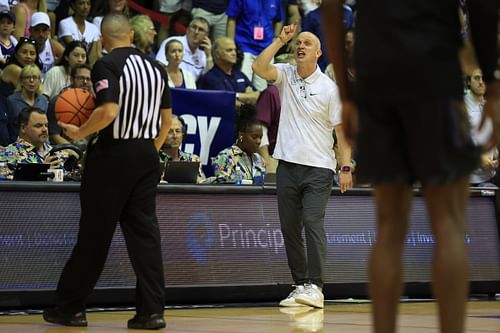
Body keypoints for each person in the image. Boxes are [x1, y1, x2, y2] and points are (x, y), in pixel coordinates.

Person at [321, 1, 499, 333]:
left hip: (377, 81)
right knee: (448, 223)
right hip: (436, 76)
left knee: (389, 227)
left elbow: (330, 8)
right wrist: (493, 80)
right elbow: (483, 6)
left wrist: (347, 95)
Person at [42, 13, 172, 330]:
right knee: (145, 237)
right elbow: (167, 120)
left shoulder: (107, 64)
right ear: (130, 34)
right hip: (146, 153)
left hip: (113, 153)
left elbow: (108, 110)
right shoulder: (156, 68)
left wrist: (79, 133)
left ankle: (71, 308)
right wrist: (147, 152)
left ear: (103, 39)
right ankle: (151, 312)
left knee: (94, 235)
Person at [252, 24, 352, 309]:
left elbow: (342, 133)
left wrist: (345, 168)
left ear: (318, 53)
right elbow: (260, 67)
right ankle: (300, 285)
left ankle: (316, 287)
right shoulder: (285, 73)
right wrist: (278, 41)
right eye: (297, 42)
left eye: (307, 43)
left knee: (312, 222)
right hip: (287, 166)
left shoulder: (330, 89)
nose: (300, 45)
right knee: (289, 227)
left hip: (319, 168)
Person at [226, 0, 284, 92]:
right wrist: (230, 45)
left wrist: (276, 37)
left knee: (262, 90)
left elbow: (279, 20)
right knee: (242, 87)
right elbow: (231, 19)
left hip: (266, 49)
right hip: (244, 46)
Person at [1, 106, 64, 176]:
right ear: (23, 128)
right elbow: (8, 184)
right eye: (38, 126)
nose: (45, 129)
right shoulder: (7, 154)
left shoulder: (58, 152)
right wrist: (42, 170)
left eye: (46, 125)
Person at [198, 36, 259, 108]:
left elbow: (257, 96)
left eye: (234, 50)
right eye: (229, 50)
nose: (234, 53)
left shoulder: (239, 74)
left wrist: (236, 96)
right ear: (217, 54)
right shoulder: (211, 78)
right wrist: (247, 98)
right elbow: (226, 102)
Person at [212, 107, 266, 185]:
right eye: (254, 137)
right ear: (241, 135)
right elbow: (223, 188)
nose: (259, 141)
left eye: (260, 138)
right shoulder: (225, 157)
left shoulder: (259, 160)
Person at [465, 68, 498, 186]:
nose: (481, 82)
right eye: (477, 78)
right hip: (469, 179)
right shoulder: (461, 107)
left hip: (490, 174)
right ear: (469, 81)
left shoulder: (490, 105)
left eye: (484, 79)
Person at [155, 16, 213, 81]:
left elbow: (210, 80)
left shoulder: (203, 55)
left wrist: (209, 56)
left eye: (201, 30)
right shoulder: (173, 42)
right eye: (193, 27)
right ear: (187, 29)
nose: (196, 32)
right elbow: (160, 67)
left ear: (206, 35)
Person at [47, 63, 92, 145]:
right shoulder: (58, 101)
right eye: (81, 78)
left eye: (88, 79)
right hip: (64, 149)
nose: (85, 82)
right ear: (71, 79)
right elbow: (54, 136)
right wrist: (73, 152)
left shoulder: (94, 102)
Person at [6, 63, 48, 142]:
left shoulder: (43, 100)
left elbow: (45, 127)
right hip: (18, 147)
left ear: (39, 81)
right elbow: (8, 127)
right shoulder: (11, 101)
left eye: (34, 77)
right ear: (21, 81)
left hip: (41, 144)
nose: (31, 81)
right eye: (28, 77)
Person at [159, 114, 205, 183]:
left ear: (183, 134)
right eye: (169, 132)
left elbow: (204, 186)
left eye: (177, 131)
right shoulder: (151, 160)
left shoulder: (193, 160)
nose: (175, 136)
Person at [58, 0, 101, 65]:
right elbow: (74, 48)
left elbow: (93, 56)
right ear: (73, 6)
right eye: (81, 3)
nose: (85, 7)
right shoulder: (65, 23)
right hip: (67, 65)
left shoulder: (94, 28)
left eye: (88, 4)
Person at [29, 12, 64, 76]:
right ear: (30, 31)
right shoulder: (24, 45)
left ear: (49, 31)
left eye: (44, 30)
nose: (41, 34)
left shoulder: (52, 45)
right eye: (37, 30)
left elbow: (68, 55)